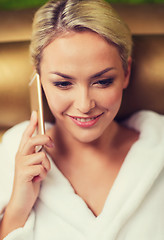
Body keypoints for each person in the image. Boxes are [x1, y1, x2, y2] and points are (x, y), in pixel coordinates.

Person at [0, 0, 164, 239]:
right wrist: (18, 206)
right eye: (63, 84)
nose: (85, 105)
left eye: (103, 81)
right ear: (39, 80)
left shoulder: (159, 145)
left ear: (126, 73)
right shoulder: (12, 155)